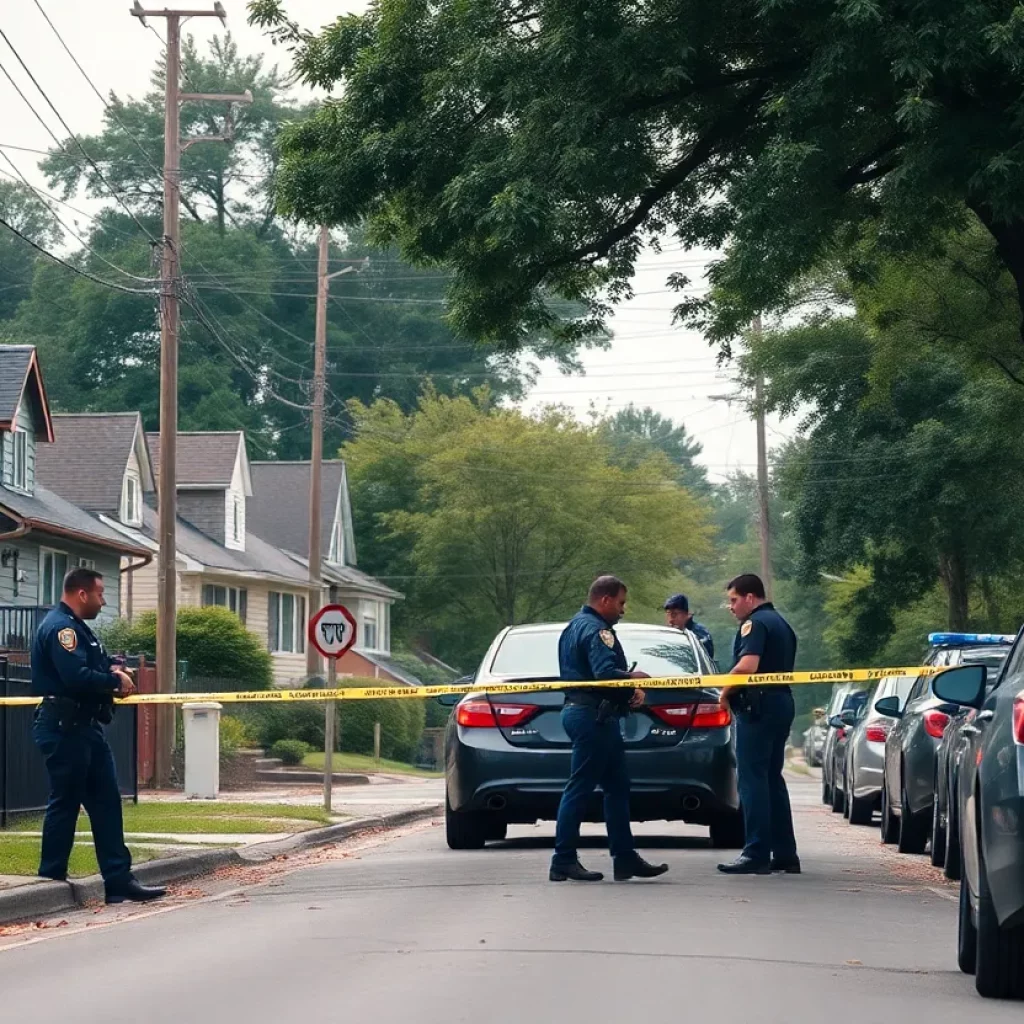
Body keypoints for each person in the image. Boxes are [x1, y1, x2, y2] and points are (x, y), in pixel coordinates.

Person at [31, 568, 166, 904]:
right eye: (100, 593)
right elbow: (75, 676)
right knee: (65, 802)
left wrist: (118, 671)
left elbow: (100, 663)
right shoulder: (62, 629)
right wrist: (113, 682)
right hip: (65, 728)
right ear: (81, 594)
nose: (103, 600)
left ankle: (118, 880)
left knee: (107, 804)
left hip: (86, 728)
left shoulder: (81, 630)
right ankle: (51, 879)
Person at [549, 575, 669, 883]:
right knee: (580, 788)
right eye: (620, 602)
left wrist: (626, 693)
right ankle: (562, 860)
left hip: (591, 714)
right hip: (592, 717)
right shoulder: (597, 630)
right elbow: (603, 674)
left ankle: (625, 857)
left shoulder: (573, 626)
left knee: (618, 787)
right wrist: (634, 681)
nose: (623, 609)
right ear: (604, 600)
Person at [717, 573, 801, 876]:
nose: (732, 607)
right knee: (771, 779)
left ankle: (755, 852)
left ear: (750, 597)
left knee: (751, 780)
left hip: (758, 706)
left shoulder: (754, 623)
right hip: (779, 702)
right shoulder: (781, 622)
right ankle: (785, 854)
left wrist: (724, 693)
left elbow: (747, 666)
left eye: (734, 599)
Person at [663, 593, 715, 660]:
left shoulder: (699, 634)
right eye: (668, 614)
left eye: (674, 614)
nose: (670, 620)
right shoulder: (667, 634)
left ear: (687, 615)